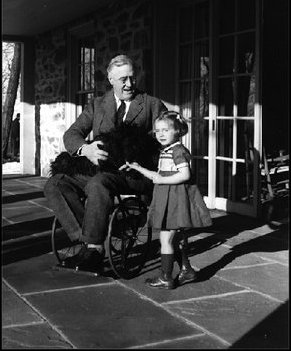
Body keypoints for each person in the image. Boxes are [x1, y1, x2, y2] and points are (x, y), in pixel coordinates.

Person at [44, 54, 167, 274]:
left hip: (133, 175)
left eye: (132, 78)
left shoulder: (151, 105)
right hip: (100, 169)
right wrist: (86, 149)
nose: (129, 84)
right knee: (55, 183)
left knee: (98, 184)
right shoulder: (98, 104)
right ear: (111, 79)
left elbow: (167, 144)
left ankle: (94, 248)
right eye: (123, 79)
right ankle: (88, 240)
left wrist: (143, 163)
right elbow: (72, 134)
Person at [121, 111, 212, 289]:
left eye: (165, 130)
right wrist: (138, 168)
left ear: (178, 131)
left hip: (175, 201)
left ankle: (166, 276)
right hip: (167, 199)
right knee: (172, 239)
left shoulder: (178, 151)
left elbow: (185, 175)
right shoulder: (167, 150)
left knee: (166, 240)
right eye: (157, 131)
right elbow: (158, 176)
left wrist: (162, 180)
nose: (160, 134)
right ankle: (187, 270)